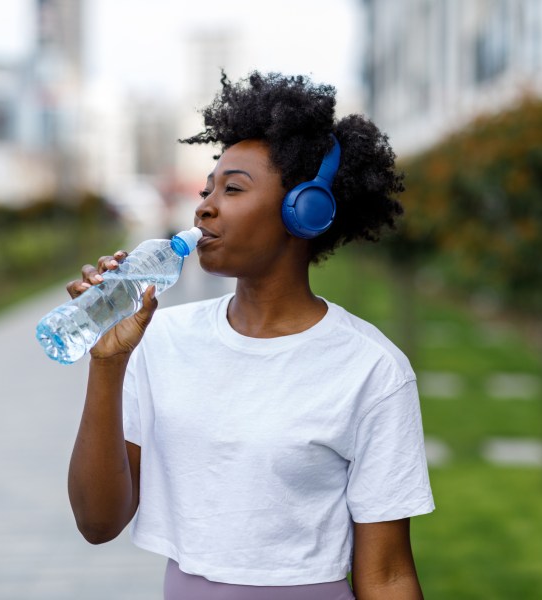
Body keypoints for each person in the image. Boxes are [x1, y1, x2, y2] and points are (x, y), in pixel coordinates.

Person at [66, 71, 435, 600]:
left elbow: (389, 573)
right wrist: (106, 363)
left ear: (305, 211)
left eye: (233, 189)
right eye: (206, 190)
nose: (204, 206)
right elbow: (97, 524)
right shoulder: (160, 338)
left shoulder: (372, 368)